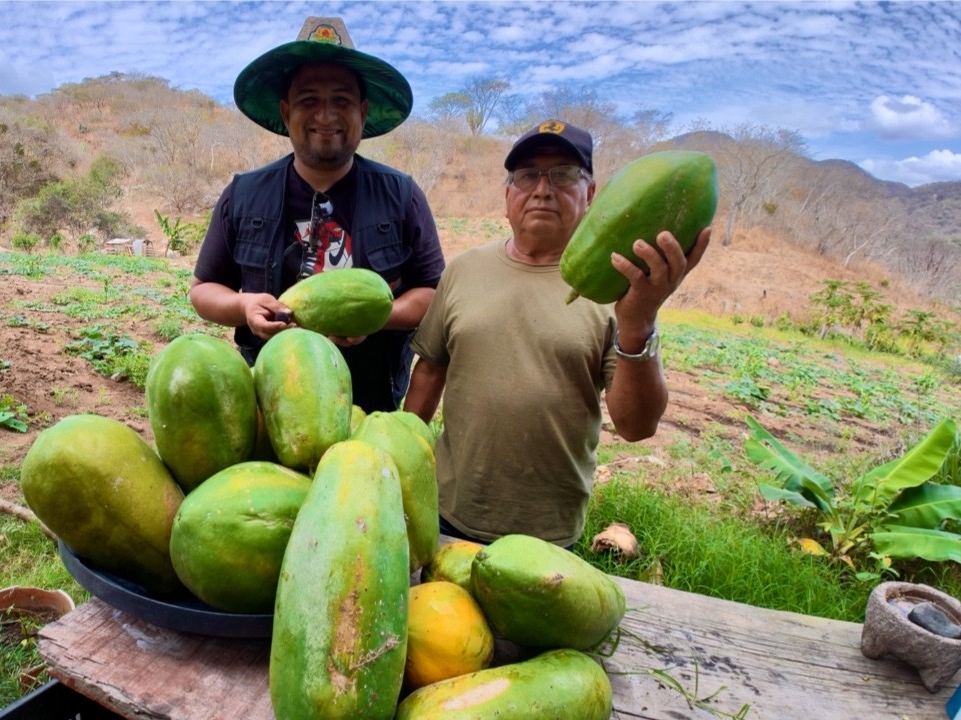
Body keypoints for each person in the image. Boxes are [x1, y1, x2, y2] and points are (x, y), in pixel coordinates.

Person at [403, 120, 711, 548]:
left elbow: (637, 427)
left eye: (563, 175)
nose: (542, 189)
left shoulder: (617, 288)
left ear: (592, 194)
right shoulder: (463, 270)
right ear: (507, 194)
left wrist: (639, 323)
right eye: (527, 175)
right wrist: (402, 465)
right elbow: (430, 371)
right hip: (446, 513)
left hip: (548, 537)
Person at [190, 16, 445, 412]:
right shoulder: (242, 195)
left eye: (341, 100)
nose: (326, 115)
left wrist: (376, 317)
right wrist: (245, 307)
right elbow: (203, 288)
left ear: (362, 111)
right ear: (286, 110)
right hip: (269, 407)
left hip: (371, 407)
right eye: (309, 100)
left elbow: (433, 295)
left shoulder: (402, 195)